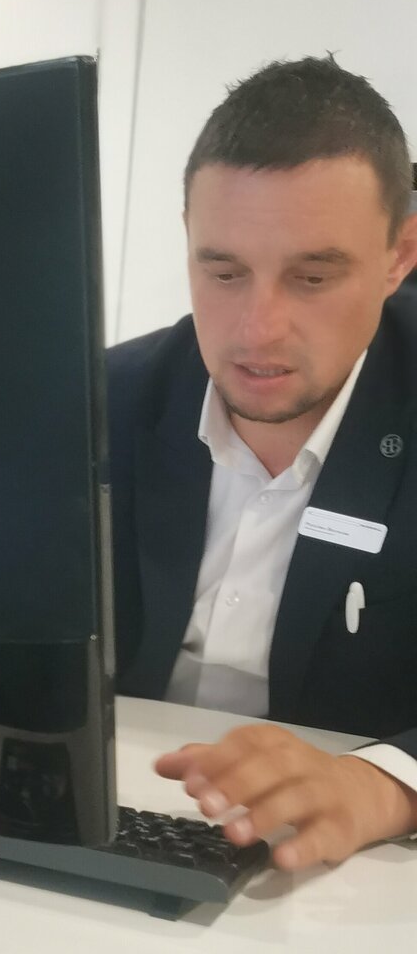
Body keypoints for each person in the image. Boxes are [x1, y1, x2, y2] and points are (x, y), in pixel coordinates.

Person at [108, 56, 417, 871]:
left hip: (350, 875)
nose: (257, 330)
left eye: (312, 277)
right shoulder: (104, 403)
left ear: (400, 254)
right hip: (114, 829)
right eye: (224, 272)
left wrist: (384, 785)